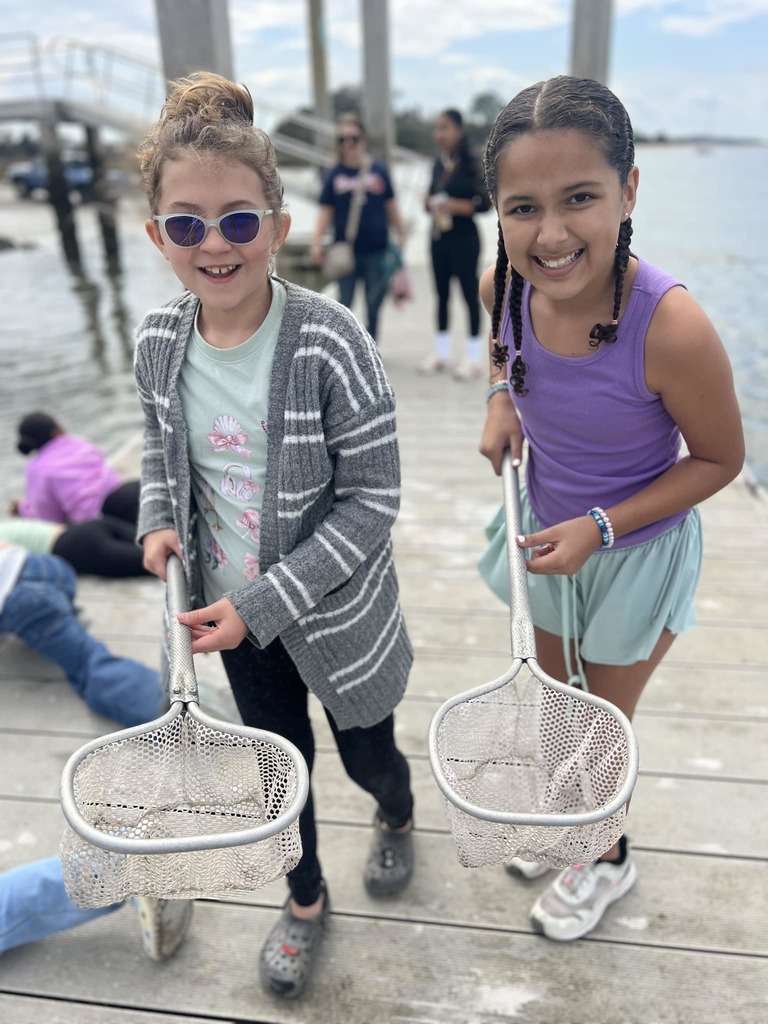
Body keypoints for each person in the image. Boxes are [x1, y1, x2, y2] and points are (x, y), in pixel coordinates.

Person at [134, 73, 415, 999]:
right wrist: (159, 519)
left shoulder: (333, 342)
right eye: (187, 224)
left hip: (336, 618)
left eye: (238, 221)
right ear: (157, 237)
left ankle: (398, 814)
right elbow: (158, 449)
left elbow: (373, 499)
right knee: (275, 771)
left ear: (278, 226)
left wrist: (267, 601)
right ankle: (303, 900)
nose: (214, 243)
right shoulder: (159, 344)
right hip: (229, 619)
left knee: (368, 753)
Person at [476, 76, 744, 941]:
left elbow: (721, 459)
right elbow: (501, 353)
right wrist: (501, 403)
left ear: (629, 189)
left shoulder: (672, 328)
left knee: (600, 723)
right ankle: (573, 825)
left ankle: (608, 859)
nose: (551, 234)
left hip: (635, 550)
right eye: (523, 208)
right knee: (559, 707)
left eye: (580, 198)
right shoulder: (504, 288)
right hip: (548, 533)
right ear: (498, 211)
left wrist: (602, 528)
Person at [0, 543, 189, 959]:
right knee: (79, 651)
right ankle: (169, 701)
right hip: (43, 568)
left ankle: (123, 864)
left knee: (89, 666)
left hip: (19, 604)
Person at [310, 114, 407, 342]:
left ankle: (371, 346)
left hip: (376, 248)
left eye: (353, 138)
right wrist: (317, 242)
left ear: (363, 139)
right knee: (344, 303)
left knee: (374, 302)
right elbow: (325, 211)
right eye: (342, 139)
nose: (348, 144)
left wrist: (401, 233)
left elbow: (391, 205)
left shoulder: (379, 171)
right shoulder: (334, 174)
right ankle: (346, 347)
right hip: (346, 250)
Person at [421, 108, 490, 379]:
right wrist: (429, 202)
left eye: (445, 128)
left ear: (459, 130)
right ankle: (441, 353)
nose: (439, 134)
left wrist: (457, 206)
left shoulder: (472, 162)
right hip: (439, 236)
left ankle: (473, 359)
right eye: (436, 128)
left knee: (469, 295)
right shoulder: (439, 163)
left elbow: (485, 203)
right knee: (441, 295)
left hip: (465, 237)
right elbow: (430, 194)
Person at [12, 411, 140, 526]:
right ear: (57, 431)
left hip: (102, 519)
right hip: (125, 493)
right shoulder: (78, 442)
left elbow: (49, 519)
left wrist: (23, 510)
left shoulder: (36, 469)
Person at [0, 515, 149, 578]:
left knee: (156, 561)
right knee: (162, 548)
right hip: (89, 526)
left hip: (75, 548)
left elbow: (17, 565)